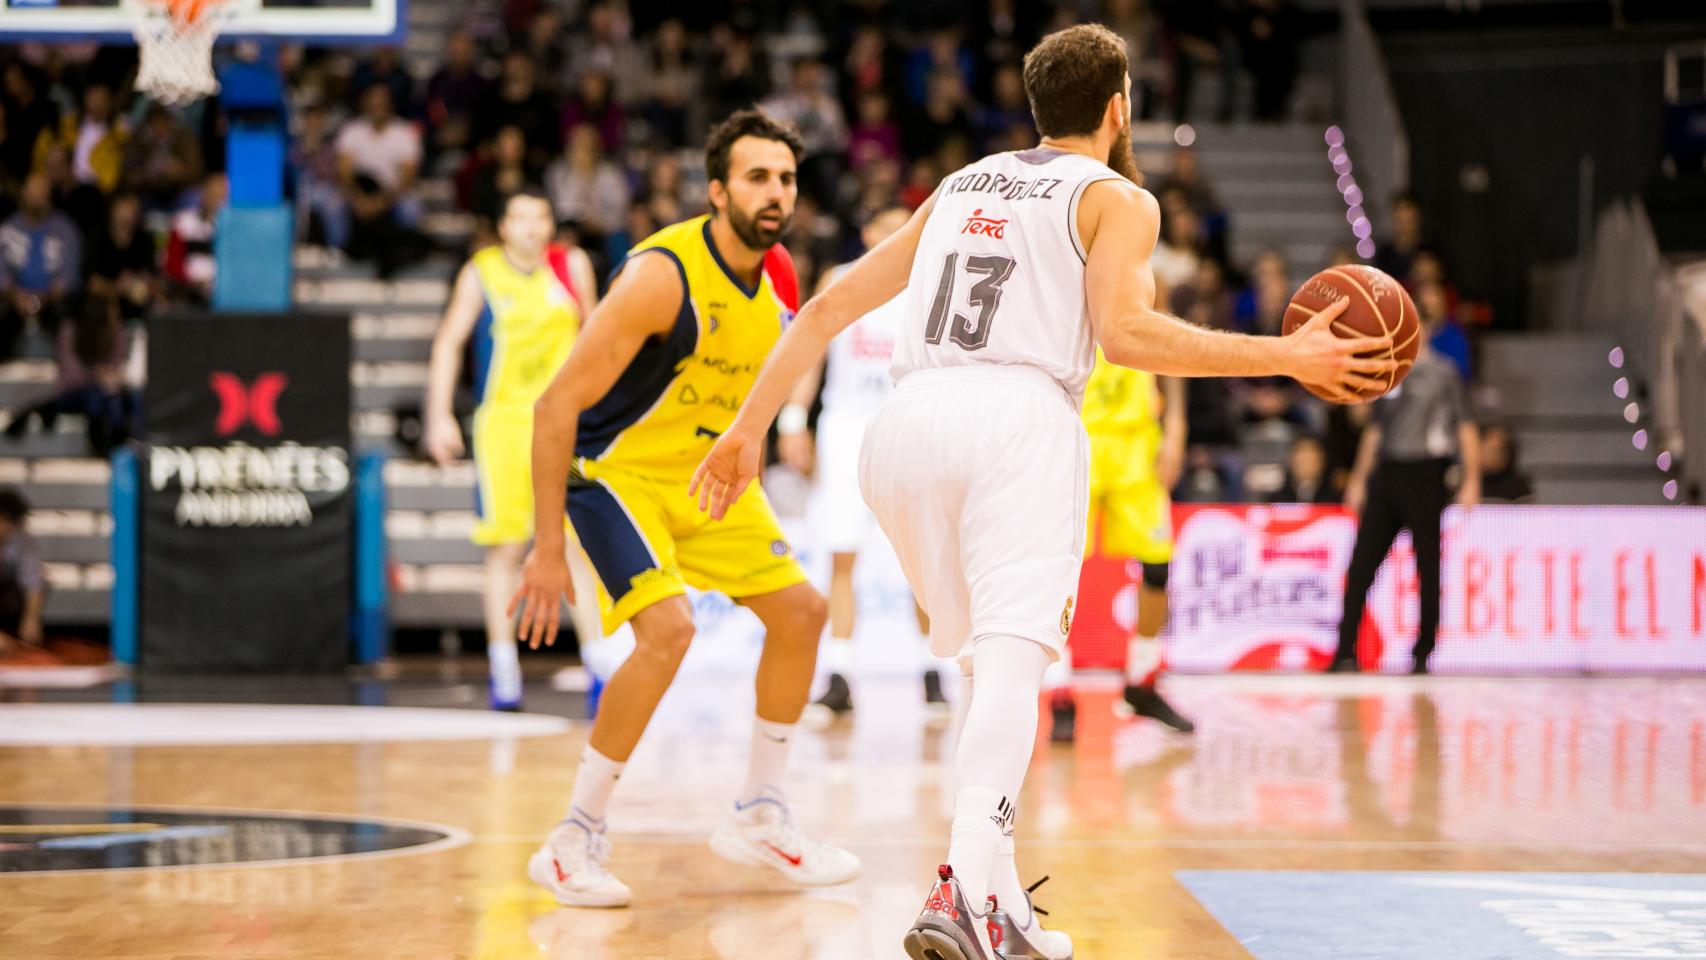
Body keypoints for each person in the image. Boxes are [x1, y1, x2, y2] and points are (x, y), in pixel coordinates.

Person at [690, 25, 1389, 960]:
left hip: (903, 427)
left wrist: (744, 431)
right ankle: (962, 893)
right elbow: (1131, 335)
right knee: (1015, 671)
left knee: (987, 677)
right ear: (1119, 107)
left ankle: (1003, 903)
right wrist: (1288, 356)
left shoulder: (962, 182)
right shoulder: (1119, 199)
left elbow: (824, 308)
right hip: (1016, 420)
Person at [508, 110, 861, 908]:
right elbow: (554, 408)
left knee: (802, 613)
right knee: (668, 633)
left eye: (787, 179)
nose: (776, 194)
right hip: (616, 473)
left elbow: (753, 395)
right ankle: (572, 839)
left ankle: (761, 813)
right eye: (757, 177)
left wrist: (756, 483)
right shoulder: (661, 275)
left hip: (710, 478)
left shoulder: (780, 277)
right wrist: (545, 548)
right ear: (716, 190)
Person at [423, 188, 601, 711]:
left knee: (578, 547)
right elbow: (447, 343)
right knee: (505, 548)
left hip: (567, 425)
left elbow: (597, 336)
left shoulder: (571, 266)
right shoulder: (481, 272)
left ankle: (599, 666)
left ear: (551, 224)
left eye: (540, 216)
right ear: (503, 227)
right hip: (503, 425)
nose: (530, 227)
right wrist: (437, 414)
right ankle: (505, 670)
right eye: (520, 217)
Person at [776, 206, 943, 720]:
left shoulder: (932, 280)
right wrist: (793, 416)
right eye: (885, 226)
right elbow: (814, 349)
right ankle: (840, 674)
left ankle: (931, 672)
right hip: (847, 426)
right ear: (867, 232)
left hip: (908, 425)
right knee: (841, 552)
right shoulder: (840, 278)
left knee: (922, 559)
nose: (895, 235)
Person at [1048, 359, 1195, 743]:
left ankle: (1141, 684)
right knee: (1057, 570)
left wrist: (1176, 426)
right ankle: (1059, 695)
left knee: (1157, 568)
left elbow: (1169, 345)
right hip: (1076, 437)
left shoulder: (1152, 296)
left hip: (1137, 444)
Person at [1330, 326, 1481, 676]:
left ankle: (1423, 652)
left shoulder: (1444, 373)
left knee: (1427, 565)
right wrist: (1358, 478)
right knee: (1361, 563)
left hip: (1427, 473)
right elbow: (1373, 429)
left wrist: (1471, 477)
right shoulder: (1389, 371)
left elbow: (1465, 426)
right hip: (1388, 471)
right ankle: (1344, 650)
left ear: (1425, 332)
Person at [0, 172, 82, 357]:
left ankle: (64, 373)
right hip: (13, 300)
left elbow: (69, 276)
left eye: (42, 193)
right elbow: (1, 270)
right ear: (24, 194)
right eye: (33, 193)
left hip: (52, 300)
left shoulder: (65, 229)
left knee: (67, 311)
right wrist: (15, 295)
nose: (38, 198)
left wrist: (45, 297)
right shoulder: (8, 228)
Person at [0, 488, 44, 658]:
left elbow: (34, 581)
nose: (10, 528)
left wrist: (31, 618)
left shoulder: (22, 539)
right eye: (6, 522)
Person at [1478, 424, 1533, 503]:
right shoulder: (1462, 481)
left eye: (1495, 451)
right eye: (1486, 450)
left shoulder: (1518, 486)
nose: (1488, 456)